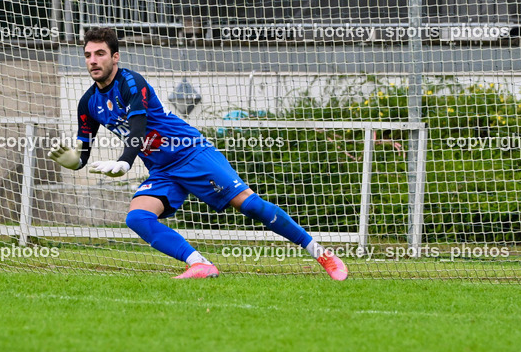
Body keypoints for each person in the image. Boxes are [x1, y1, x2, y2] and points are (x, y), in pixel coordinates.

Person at [48, 27, 347, 281]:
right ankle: (200, 264)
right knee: (137, 217)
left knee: (250, 205)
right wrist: (73, 162)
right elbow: (83, 154)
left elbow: (138, 124)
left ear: (115, 57)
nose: (93, 60)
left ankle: (321, 254)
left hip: (191, 153)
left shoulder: (130, 82)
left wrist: (124, 162)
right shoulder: (88, 102)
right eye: (88, 55)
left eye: (100, 53)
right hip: (163, 170)